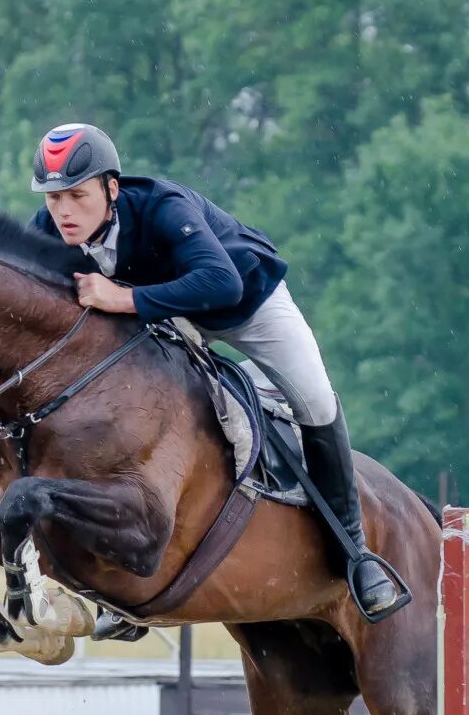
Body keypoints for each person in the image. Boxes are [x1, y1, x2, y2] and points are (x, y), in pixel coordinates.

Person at [26, 122, 404, 621]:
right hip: (169, 318)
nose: (65, 212)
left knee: (313, 399)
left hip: (248, 304)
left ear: (111, 188)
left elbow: (221, 283)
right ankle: (137, 564)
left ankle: (354, 552)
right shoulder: (46, 230)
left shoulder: (163, 207)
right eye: (55, 199)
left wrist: (124, 298)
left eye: (77, 195)